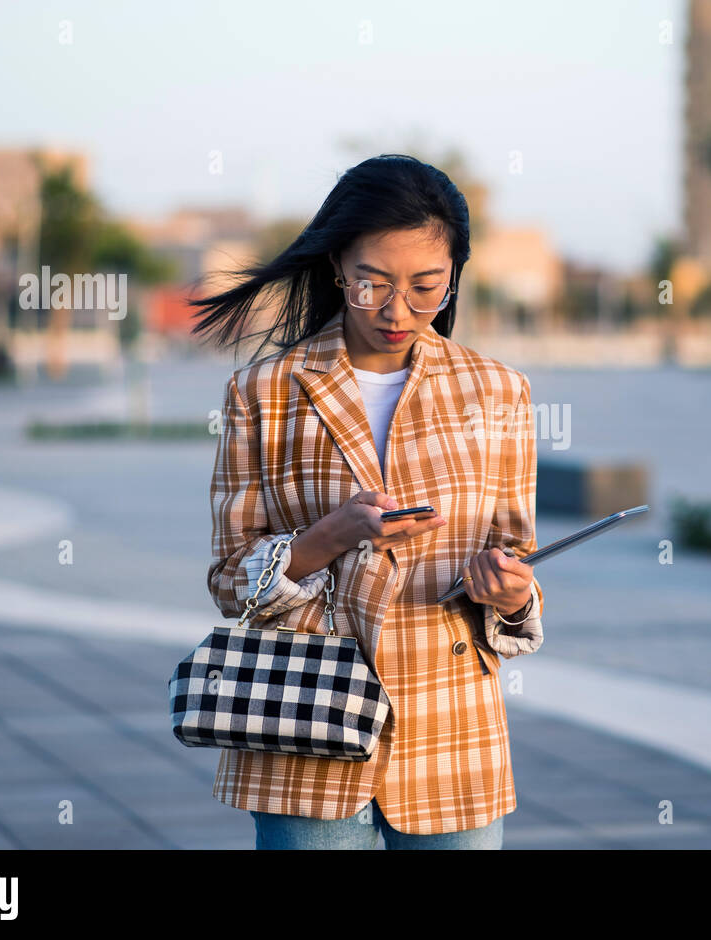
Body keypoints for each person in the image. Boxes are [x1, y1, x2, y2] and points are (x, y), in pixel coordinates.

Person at [189, 154, 544, 849]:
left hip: (451, 734)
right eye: (371, 282)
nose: (396, 309)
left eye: (425, 286)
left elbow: (517, 561)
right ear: (336, 270)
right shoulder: (264, 392)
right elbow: (230, 580)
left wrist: (510, 595)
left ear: (454, 276)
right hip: (305, 727)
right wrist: (327, 536)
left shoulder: (499, 393)